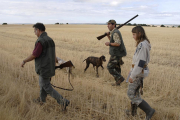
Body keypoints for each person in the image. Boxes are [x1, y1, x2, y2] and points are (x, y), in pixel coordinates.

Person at [21, 23, 69, 111]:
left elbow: (34, 55)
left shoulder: (41, 41)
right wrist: (55, 63)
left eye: (35, 31)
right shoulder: (50, 40)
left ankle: (63, 101)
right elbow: (54, 54)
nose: (34, 33)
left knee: (46, 86)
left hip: (44, 68)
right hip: (50, 67)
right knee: (43, 84)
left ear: (38, 30)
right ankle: (41, 100)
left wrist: (24, 61)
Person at [127, 26, 155, 119]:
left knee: (131, 94)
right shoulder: (144, 44)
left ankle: (149, 110)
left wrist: (133, 75)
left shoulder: (142, 45)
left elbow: (140, 63)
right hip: (138, 71)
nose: (133, 36)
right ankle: (133, 113)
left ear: (140, 33)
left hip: (138, 73)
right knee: (135, 93)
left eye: (134, 34)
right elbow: (138, 62)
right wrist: (131, 70)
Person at [105, 19, 127, 86]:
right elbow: (113, 41)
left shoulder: (115, 32)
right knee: (117, 67)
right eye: (107, 24)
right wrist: (108, 36)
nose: (107, 26)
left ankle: (120, 78)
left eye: (109, 24)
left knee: (109, 67)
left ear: (113, 25)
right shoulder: (114, 32)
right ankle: (118, 83)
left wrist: (109, 44)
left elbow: (117, 43)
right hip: (118, 53)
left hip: (116, 53)